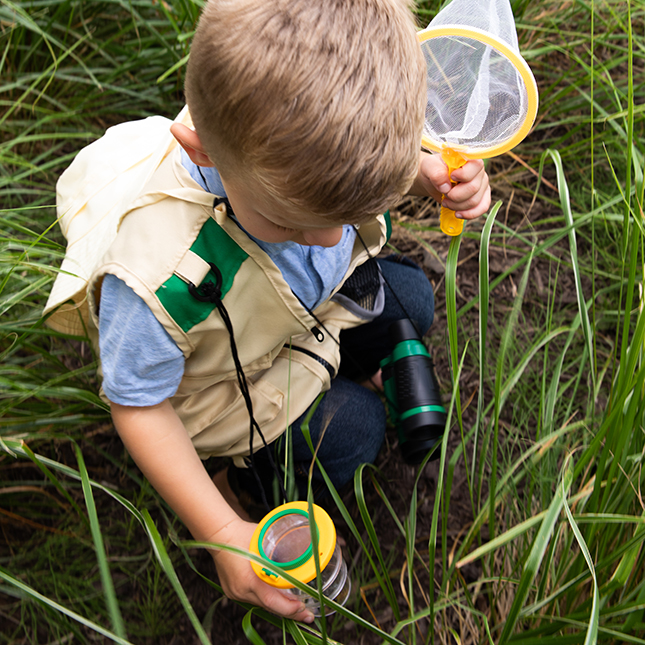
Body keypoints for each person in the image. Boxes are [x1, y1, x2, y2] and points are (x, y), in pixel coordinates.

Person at [84, 0, 490, 624]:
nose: (331, 239)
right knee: (356, 432)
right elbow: (137, 403)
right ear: (202, 152)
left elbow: (373, 171)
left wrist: (427, 176)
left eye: (350, 210)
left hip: (295, 314)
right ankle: (237, 482)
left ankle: (344, 370)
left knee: (413, 300)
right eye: (293, 223)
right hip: (225, 379)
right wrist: (221, 528)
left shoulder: (301, 151)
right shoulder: (161, 281)